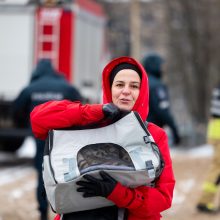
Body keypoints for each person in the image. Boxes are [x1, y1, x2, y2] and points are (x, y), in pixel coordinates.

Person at [30, 56, 175, 220]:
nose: (126, 91)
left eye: (134, 86)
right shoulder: (86, 122)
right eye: (119, 85)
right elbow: (38, 119)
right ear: (109, 88)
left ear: (142, 92)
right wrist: (93, 112)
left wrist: (117, 193)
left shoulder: (154, 135)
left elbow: (163, 197)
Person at [12, 59, 83, 220]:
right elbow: (79, 106)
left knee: (43, 174)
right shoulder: (66, 87)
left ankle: (43, 213)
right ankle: (68, 211)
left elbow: (17, 109)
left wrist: (26, 124)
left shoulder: (30, 88)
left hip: (41, 139)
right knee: (68, 174)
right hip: (64, 139)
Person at [142, 53, 180, 145]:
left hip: (141, 130)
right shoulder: (157, 86)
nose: (163, 69)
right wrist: (175, 131)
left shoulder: (142, 83)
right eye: (161, 65)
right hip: (153, 131)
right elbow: (163, 110)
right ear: (154, 65)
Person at [197, 84, 220, 213]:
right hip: (219, 130)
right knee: (218, 169)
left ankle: (205, 201)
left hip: (216, 129)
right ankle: (204, 201)